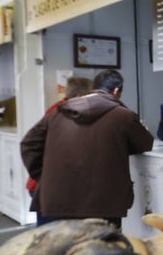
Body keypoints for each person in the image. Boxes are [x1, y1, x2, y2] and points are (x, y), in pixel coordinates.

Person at [20, 69, 154, 228]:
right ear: (116, 91)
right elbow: (145, 144)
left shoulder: (59, 112)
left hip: (55, 200)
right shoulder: (123, 116)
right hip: (103, 203)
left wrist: (44, 176)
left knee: (57, 251)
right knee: (102, 250)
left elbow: (28, 144)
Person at [24, 76, 92, 199]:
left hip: (46, 182)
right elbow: (30, 144)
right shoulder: (64, 113)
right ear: (80, 94)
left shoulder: (60, 108)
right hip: (47, 185)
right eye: (91, 94)